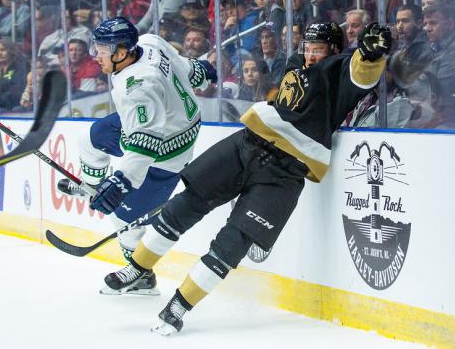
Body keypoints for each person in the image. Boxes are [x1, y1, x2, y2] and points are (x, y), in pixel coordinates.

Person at [102, 21, 392, 335]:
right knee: (186, 203)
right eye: (307, 48)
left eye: (318, 50)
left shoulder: (338, 70)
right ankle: (138, 268)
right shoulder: (295, 64)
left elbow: (361, 74)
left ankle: (179, 305)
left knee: (231, 244)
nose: (310, 56)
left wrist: (370, 55)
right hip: (247, 143)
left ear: (334, 51)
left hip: (285, 171)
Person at [58, 17, 217, 295]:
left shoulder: (138, 87)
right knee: (90, 139)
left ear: (121, 52)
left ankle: (142, 276)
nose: (96, 56)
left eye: (102, 50)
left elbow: (146, 144)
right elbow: (182, 66)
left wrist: (122, 181)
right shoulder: (149, 42)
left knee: (123, 220)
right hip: (168, 120)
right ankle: (92, 185)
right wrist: (201, 72)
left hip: (168, 150)